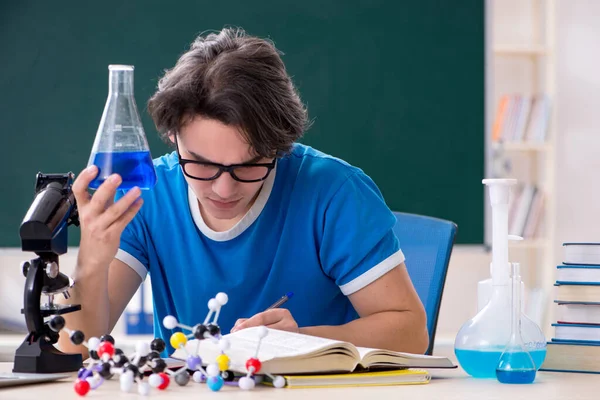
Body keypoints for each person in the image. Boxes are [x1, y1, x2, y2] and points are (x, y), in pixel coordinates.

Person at [58, 27, 428, 358]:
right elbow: (74, 348)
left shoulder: (334, 194)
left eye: (249, 165)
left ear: (280, 146)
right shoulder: (149, 195)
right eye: (200, 164)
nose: (223, 188)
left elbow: (411, 332)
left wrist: (300, 339)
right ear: (173, 137)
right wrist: (92, 260)